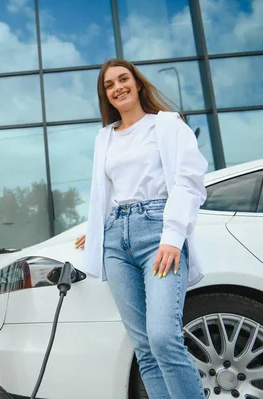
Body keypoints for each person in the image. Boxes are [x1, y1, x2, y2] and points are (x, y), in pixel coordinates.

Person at [75, 59, 207, 399]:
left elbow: (189, 182)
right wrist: (96, 229)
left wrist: (173, 237)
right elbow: (102, 192)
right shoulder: (104, 137)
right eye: (109, 84)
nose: (118, 87)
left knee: (164, 337)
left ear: (137, 84)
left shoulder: (166, 125)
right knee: (144, 348)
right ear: (105, 95)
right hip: (116, 241)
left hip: (158, 232)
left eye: (123, 79)